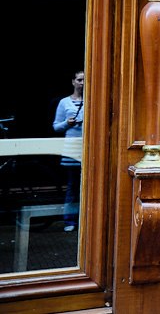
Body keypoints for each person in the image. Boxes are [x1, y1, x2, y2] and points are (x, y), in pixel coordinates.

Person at [52, 71, 84, 232]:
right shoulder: (64, 102)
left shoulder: (92, 101)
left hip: (87, 150)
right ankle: (70, 220)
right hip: (71, 150)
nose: (82, 83)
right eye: (79, 80)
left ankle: (86, 221)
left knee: (88, 187)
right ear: (73, 82)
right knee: (72, 186)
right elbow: (56, 127)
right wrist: (67, 123)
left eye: (85, 80)